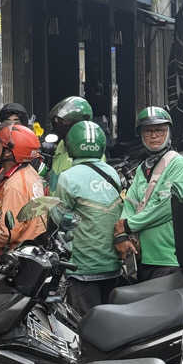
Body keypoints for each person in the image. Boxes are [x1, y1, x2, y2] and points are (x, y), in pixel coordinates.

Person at [50, 121, 123, 315]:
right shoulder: (112, 173)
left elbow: (60, 219)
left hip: (83, 268)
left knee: (85, 325)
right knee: (110, 321)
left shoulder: (68, 177)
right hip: (113, 265)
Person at [116, 106, 183, 281]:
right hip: (143, 255)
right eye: (148, 130)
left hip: (168, 256)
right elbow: (130, 202)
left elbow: (168, 206)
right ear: (141, 135)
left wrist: (128, 225)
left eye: (160, 130)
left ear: (168, 132)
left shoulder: (178, 164)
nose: (154, 135)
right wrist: (122, 232)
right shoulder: (143, 168)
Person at [0, 124, 49, 289]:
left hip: (17, 260)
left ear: (8, 152)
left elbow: (7, 234)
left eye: (0, 143)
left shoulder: (15, 186)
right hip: (30, 254)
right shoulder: (30, 173)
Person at [47, 96, 94, 192]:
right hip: (54, 203)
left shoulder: (89, 149)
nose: (59, 127)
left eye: (64, 122)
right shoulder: (62, 144)